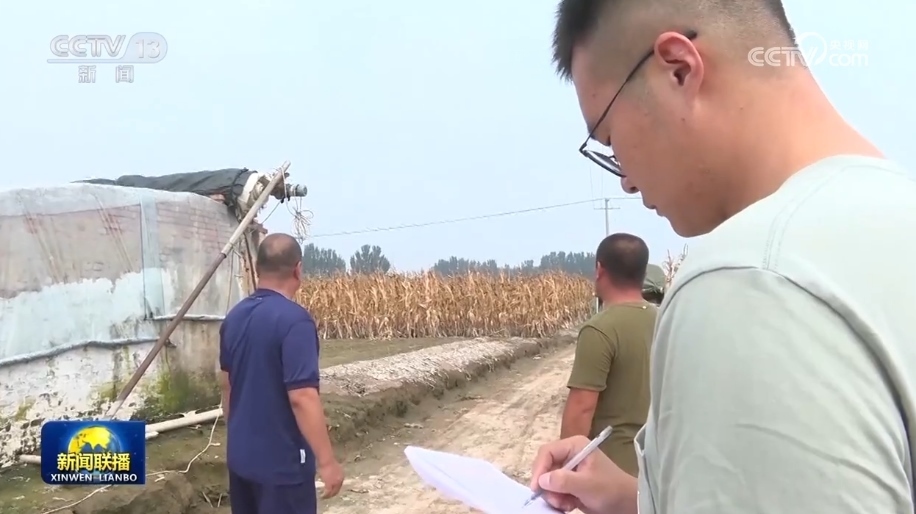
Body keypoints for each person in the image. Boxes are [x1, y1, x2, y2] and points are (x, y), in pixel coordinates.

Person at [531, 0, 916, 513]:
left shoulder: (748, 282)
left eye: (610, 139)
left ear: (678, 69)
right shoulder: (892, 215)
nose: (625, 180)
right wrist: (638, 499)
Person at [219, 233, 344, 514]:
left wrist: (239, 435)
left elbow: (227, 384)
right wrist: (327, 462)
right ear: (298, 270)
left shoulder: (234, 318)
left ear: (257, 268)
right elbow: (302, 396)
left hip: (241, 460)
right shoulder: (295, 321)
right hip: (282, 467)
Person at [561, 233, 656, 477]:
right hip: (658, 465)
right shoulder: (667, 319)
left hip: (612, 469)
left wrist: (567, 468)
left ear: (599, 270)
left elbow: (582, 408)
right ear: (643, 273)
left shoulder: (600, 329)